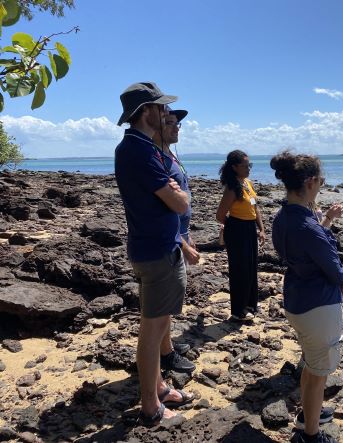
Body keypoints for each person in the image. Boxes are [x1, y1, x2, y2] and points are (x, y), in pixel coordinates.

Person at [114, 82, 195, 426]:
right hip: (157, 251)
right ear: (145, 112)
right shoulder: (139, 150)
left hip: (155, 247)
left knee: (157, 324)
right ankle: (151, 405)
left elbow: (173, 198)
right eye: (161, 108)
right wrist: (181, 198)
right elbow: (178, 202)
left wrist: (177, 198)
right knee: (153, 330)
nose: (166, 114)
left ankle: (158, 386)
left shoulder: (141, 148)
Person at [271, 151, 343, 443]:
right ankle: (310, 434)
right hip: (318, 306)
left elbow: (309, 249)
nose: (322, 185)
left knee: (310, 362)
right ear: (309, 182)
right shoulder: (306, 225)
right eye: (321, 180)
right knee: (319, 371)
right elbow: (333, 268)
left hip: (298, 300)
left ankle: (310, 414)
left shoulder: (284, 216)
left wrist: (327, 220)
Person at [152, 108, 198, 374]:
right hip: (169, 242)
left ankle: (166, 345)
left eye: (177, 123)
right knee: (164, 303)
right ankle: (165, 353)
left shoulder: (171, 154)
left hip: (179, 236)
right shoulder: (158, 159)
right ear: (155, 125)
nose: (176, 127)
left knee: (169, 302)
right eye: (169, 123)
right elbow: (163, 211)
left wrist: (187, 234)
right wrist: (183, 243)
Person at [215, 150, 265, 321]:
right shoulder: (232, 188)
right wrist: (234, 226)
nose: (249, 168)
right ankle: (238, 311)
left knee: (251, 267)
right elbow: (220, 215)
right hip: (237, 230)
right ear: (235, 167)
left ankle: (250, 303)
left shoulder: (247, 183)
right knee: (239, 270)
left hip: (250, 228)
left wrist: (261, 229)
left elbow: (255, 207)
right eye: (245, 166)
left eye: (249, 165)